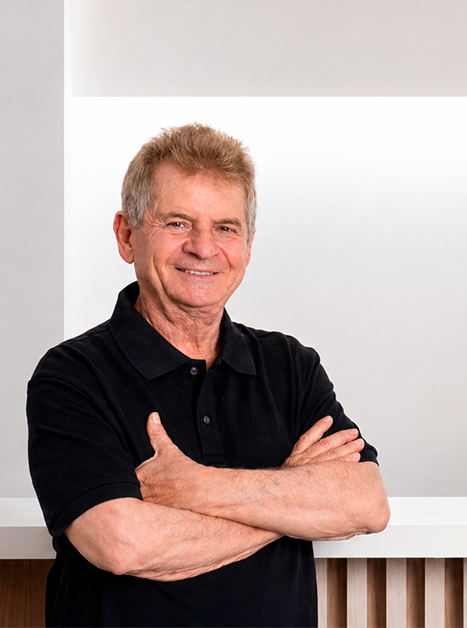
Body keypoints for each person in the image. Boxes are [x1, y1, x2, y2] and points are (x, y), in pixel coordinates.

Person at [27, 123, 390, 626]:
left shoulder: (290, 365)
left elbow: (366, 503)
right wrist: (291, 506)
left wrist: (196, 486)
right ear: (127, 235)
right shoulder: (72, 375)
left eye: (226, 228)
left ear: (248, 244)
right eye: (178, 223)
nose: (203, 247)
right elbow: (122, 543)